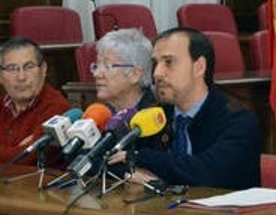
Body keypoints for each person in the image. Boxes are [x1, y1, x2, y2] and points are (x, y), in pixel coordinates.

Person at [129, 27, 261, 189]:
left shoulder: (239, 120)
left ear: (199, 67)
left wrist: (142, 159)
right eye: (155, 63)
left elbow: (209, 174)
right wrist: (131, 170)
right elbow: (113, 159)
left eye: (168, 62)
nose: (157, 73)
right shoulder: (153, 116)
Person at [0, 37, 71, 163]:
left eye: (29, 67)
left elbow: (28, 158)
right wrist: (15, 151)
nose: (21, 77)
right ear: (0, 76)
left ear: (43, 70)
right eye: (12, 68)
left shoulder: (57, 107)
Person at [92, 28, 157, 113]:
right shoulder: (102, 115)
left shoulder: (160, 114)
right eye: (96, 66)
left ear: (135, 74)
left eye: (107, 66)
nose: (96, 74)